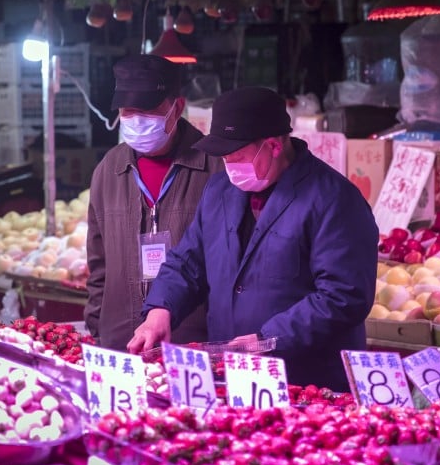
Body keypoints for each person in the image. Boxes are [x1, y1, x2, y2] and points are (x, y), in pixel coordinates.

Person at [126, 86, 378, 390]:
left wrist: (268, 340)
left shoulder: (333, 199)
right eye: (225, 158)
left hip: (308, 382)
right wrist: (160, 310)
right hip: (235, 379)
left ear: (272, 145)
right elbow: (188, 262)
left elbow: (344, 295)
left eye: (237, 156)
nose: (230, 167)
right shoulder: (219, 191)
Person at [85, 55, 223, 351]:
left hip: (191, 341)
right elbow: (99, 268)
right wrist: (96, 333)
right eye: (127, 112)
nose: (136, 121)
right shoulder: (109, 170)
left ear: (177, 107)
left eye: (147, 111)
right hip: (120, 341)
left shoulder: (216, 169)